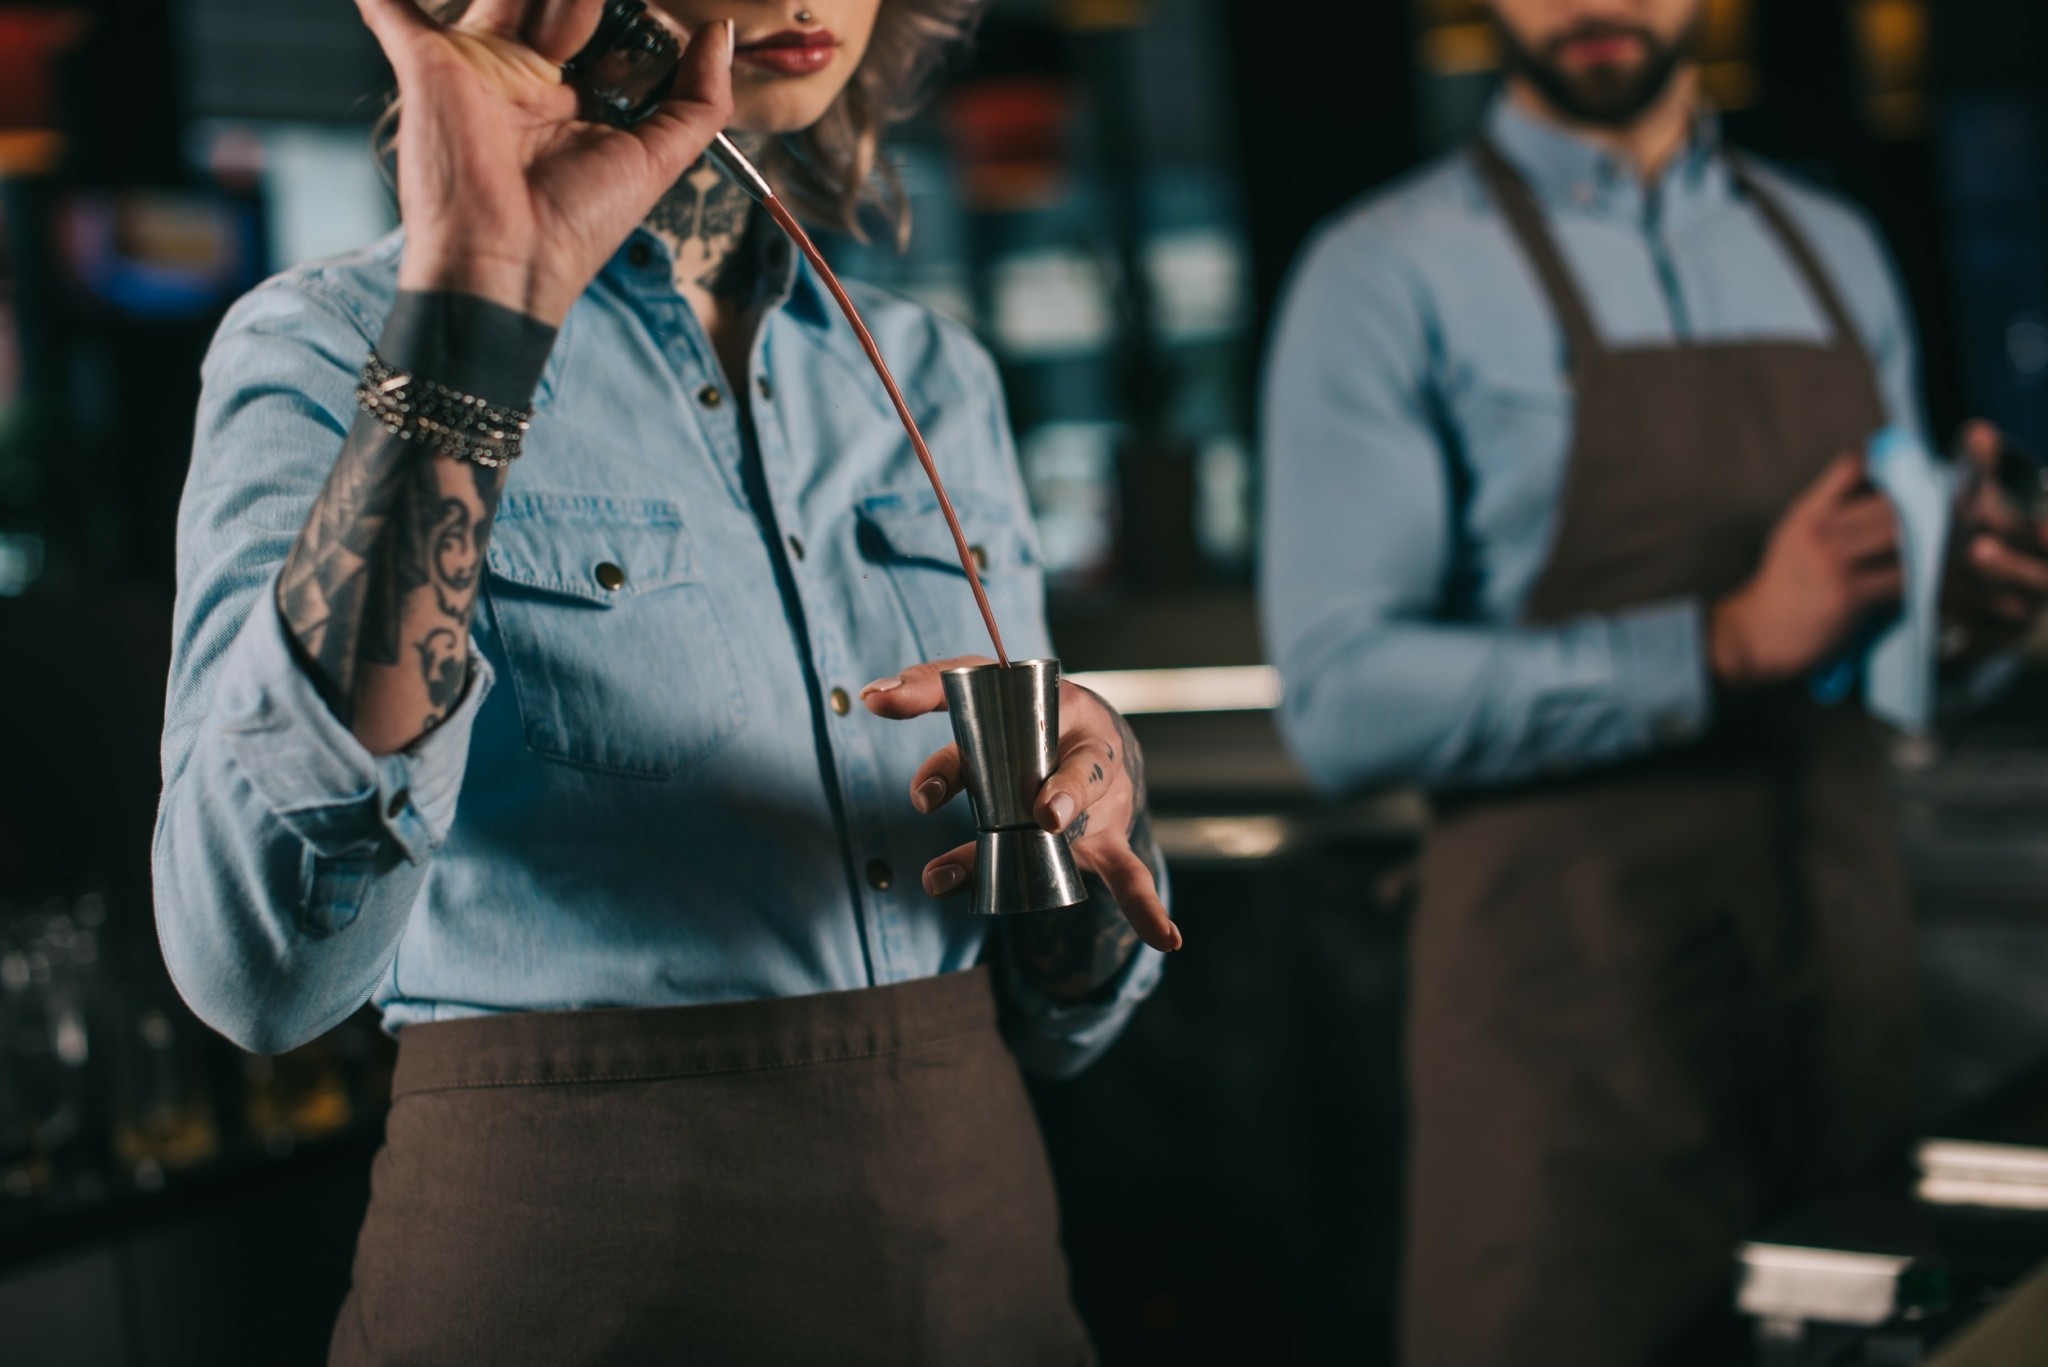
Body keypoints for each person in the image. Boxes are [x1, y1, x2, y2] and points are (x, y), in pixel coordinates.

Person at [153, 1, 1178, 1361]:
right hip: (573, 1280)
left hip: (982, 1267)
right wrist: (472, 326)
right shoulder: (332, 344)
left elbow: (1063, 1020)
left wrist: (1092, 802)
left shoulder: (935, 376)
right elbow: (258, 972)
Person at [1259, 1, 2048, 1363]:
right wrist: (1720, 644)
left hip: (1839, 1005)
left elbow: (1881, 657)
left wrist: (1963, 624)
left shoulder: (1832, 249)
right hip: (1567, 1061)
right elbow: (1339, 701)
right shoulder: (1382, 273)